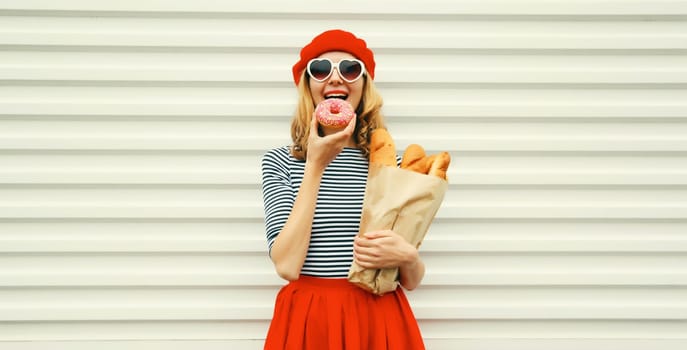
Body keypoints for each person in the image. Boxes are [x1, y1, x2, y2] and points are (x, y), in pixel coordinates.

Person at [261, 29, 426, 350]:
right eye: (320, 70)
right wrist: (316, 165)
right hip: (311, 318)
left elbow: (411, 279)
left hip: (378, 317)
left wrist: (409, 257)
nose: (335, 79)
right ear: (308, 86)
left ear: (365, 86)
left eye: (350, 70)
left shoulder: (393, 162)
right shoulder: (281, 161)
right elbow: (286, 265)